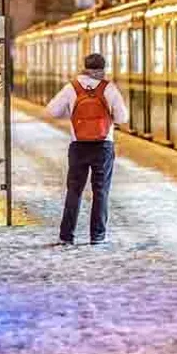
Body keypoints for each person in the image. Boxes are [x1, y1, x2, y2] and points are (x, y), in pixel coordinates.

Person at [44, 53, 129, 245]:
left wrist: (72, 113)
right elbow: (122, 117)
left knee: (74, 190)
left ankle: (67, 236)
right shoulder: (109, 89)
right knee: (101, 192)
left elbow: (51, 111)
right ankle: (97, 236)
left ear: (84, 67)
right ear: (103, 68)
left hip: (78, 145)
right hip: (103, 145)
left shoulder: (71, 87)